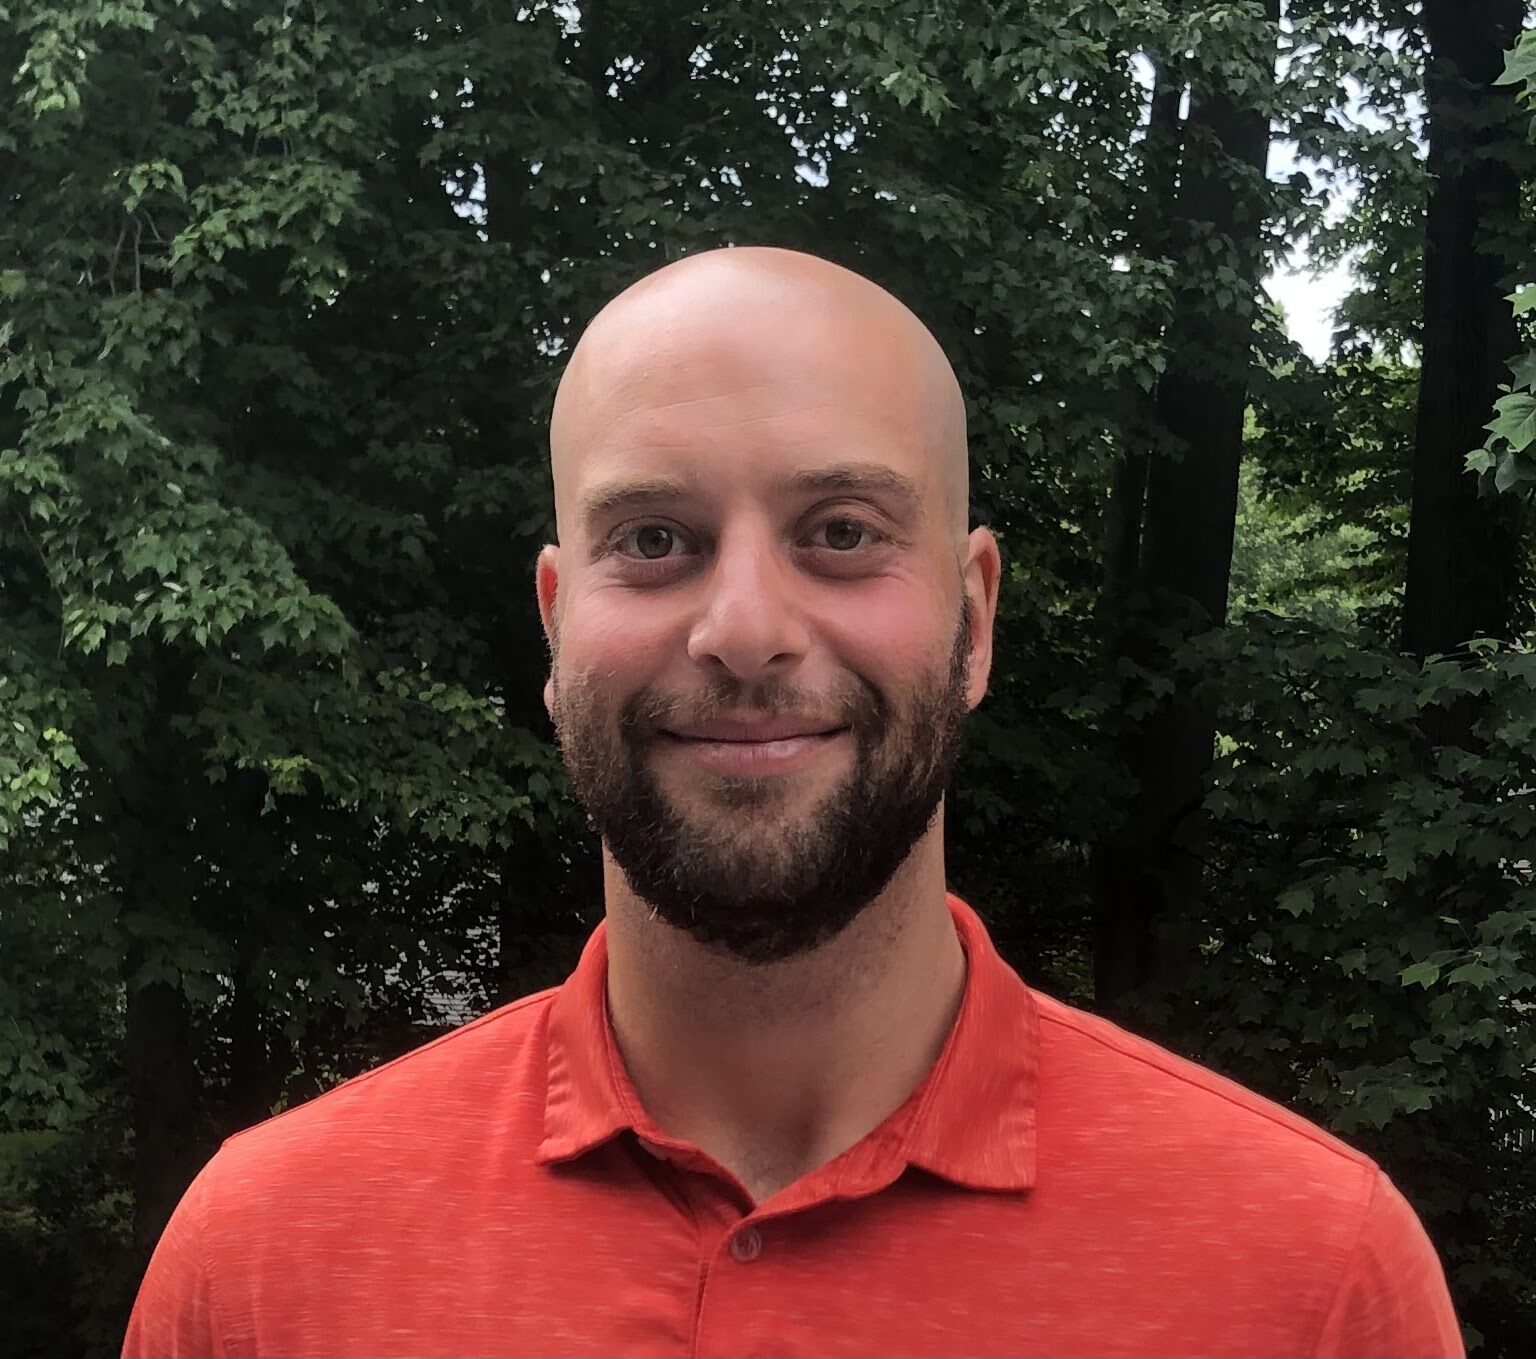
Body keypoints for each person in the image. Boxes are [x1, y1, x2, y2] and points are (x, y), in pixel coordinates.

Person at [123, 245, 1463, 1358]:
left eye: (841, 532)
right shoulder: (265, 1269)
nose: (746, 628)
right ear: (554, 624)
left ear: (976, 616)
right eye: (655, 540)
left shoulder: (1309, 1279)